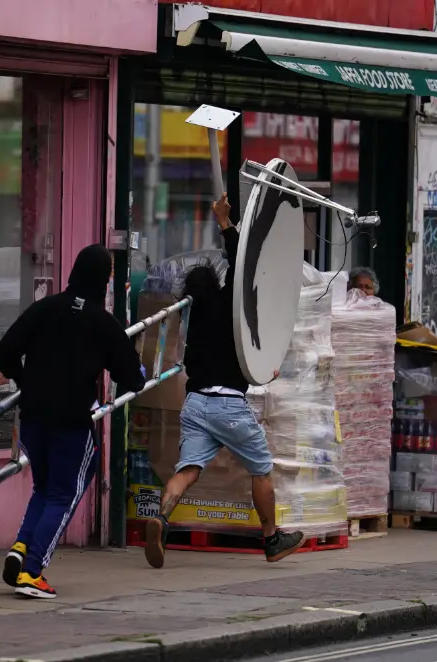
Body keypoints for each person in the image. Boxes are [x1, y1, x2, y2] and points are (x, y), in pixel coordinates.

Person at [144, 193, 306, 569]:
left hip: (196, 403)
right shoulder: (228, 307)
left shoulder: (192, 321)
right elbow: (242, 263)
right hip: (228, 404)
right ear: (215, 285)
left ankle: (162, 517)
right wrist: (224, 222)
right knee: (261, 469)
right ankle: (272, 539)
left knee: (187, 470)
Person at [0, 244, 146, 599]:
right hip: (71, 421)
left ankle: (21, 548)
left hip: (33, 417)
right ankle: (32, 571)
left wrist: (26, 381)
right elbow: (133, 377)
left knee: (44, 487)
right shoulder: (102, 322)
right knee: (66, 492)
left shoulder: (45, 308)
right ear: (102, 281)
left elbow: (5, 351)